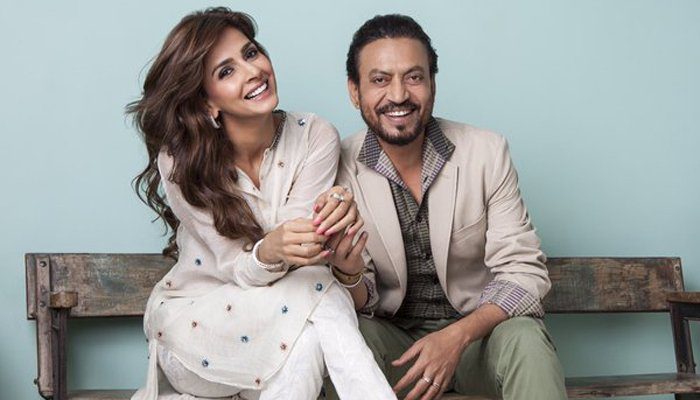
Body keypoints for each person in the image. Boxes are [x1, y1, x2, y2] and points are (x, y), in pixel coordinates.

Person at [126, 7, 396, 400]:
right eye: (226, 71)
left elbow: (302, 246)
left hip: (284, 334)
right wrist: (270, 250)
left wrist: (333, 208)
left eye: (251, 53)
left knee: (308, 333)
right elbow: (239, 267)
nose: (253, 71)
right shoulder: (182, 162)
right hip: (196, 338)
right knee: (320, 290)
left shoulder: (314, 136)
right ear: (206, 103)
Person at [325, 14, 567, 400]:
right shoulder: (336, 167)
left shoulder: (487, 153)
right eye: (380, 80)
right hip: (394, 349)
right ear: (354, 91)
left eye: (414, 77)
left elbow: (524, 273)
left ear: (432, 84)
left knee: (526, 338)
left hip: (477, 342)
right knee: (335, 340)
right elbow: (360, 296)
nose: (399, 95)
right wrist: (348, 273)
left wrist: (456, 337)